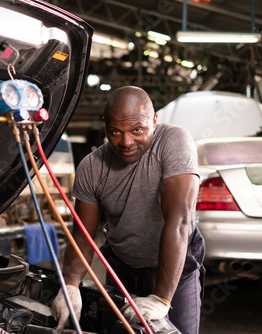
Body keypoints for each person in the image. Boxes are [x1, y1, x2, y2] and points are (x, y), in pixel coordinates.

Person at [51, 86, 205, 334]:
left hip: (175, 268)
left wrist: (161, 299)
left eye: (137, 130)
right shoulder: (91, 168)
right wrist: (70, 285)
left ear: (154, 121)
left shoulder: (174, 142)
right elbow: (83, 235)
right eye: (115, 131)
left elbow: (179, 220)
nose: (126, 142)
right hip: (122, 267)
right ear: (105, 127)